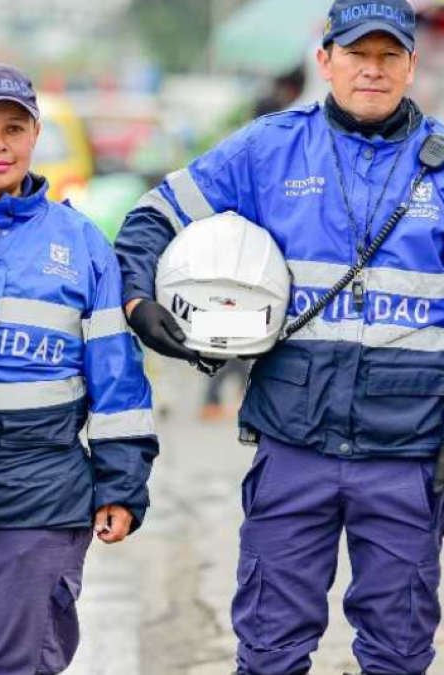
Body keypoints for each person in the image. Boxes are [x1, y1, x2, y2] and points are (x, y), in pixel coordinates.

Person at [113, 2, 444, 673]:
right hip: (294, 444)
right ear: (324, 60)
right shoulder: (267, 148)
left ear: (412, 65)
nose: (372, 70)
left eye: (388, 56)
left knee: (401, 653)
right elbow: (152, 216)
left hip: (409, 456)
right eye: (357, 54)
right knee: (269, 649)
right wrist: (140, 303)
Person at [0, 63, 158, 675]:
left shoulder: (80, 244)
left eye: (13, 128)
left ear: (35, 134)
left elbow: (118, 383)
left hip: (42, 496)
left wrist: (122, 486)